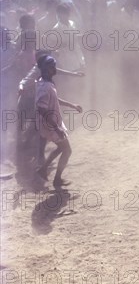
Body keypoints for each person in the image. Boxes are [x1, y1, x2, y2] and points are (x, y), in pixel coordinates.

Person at [35, 55, 82, 188]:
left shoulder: (45, 83)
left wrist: (72, 105)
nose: (55, 69)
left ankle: (43, 169)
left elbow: (54, 99)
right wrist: (57, 128)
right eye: (52, 67)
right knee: (67, 150)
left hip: (51, 122)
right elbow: (42, 109)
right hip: (50, 124)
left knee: (62, 148)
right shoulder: (45, 86)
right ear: (46, 69)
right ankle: (56, 179)